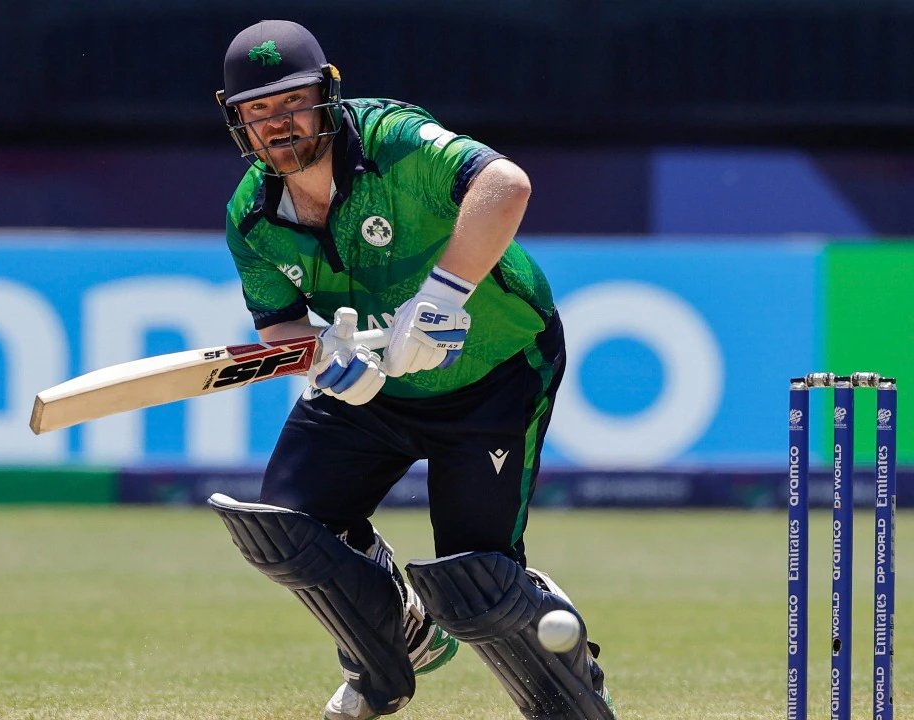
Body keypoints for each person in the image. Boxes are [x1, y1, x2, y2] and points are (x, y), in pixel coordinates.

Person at [205, 19, 616, 720]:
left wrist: (440, 298)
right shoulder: (250, 216)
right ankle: (396, 643)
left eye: (293, 100)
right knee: (286, 527)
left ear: (328, 94)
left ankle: (566, 669)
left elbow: (505, 184)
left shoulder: (393, 141)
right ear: (237, 120)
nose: (278, 122)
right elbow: (280, 328)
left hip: (495, 373)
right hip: (376, 388)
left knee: (474, 583)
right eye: (259, 109)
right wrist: (328, 358)